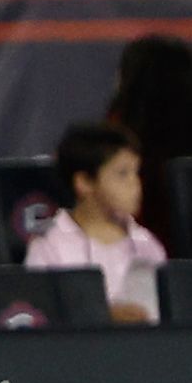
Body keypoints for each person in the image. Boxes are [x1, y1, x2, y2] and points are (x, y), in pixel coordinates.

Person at [24, 118, 163, 322]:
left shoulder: (146, 244)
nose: (135, 183)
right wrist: (103, 315)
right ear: (84, 183)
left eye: (137, 172)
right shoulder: (49, 247)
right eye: (122, 174)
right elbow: (39, 314)